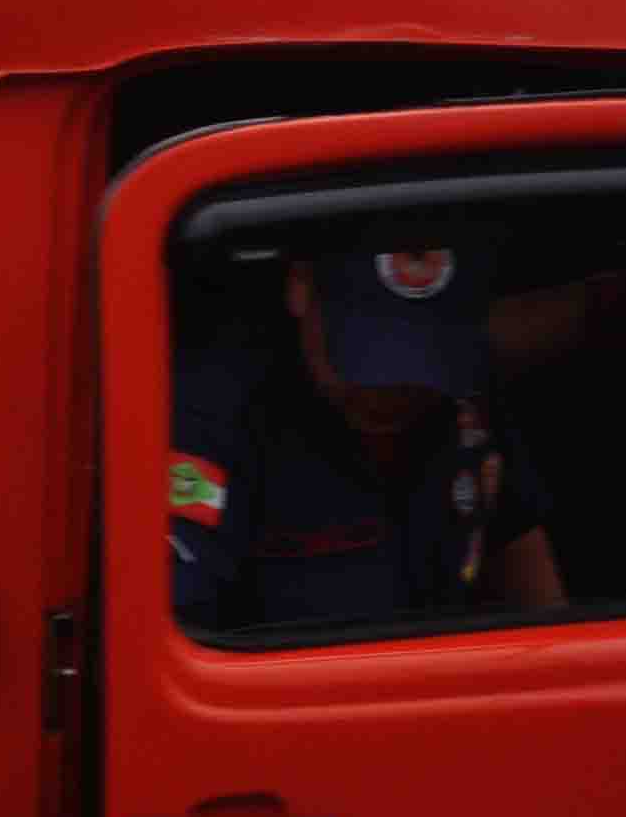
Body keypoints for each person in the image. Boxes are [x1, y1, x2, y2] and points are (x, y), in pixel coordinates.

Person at [173, 239, 569, 635]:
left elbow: (522, 561)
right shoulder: (213, 414)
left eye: (424, 353)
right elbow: (171, 641)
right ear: (300, 286)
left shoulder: (463, 387)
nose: (392, 389)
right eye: (366, 352)